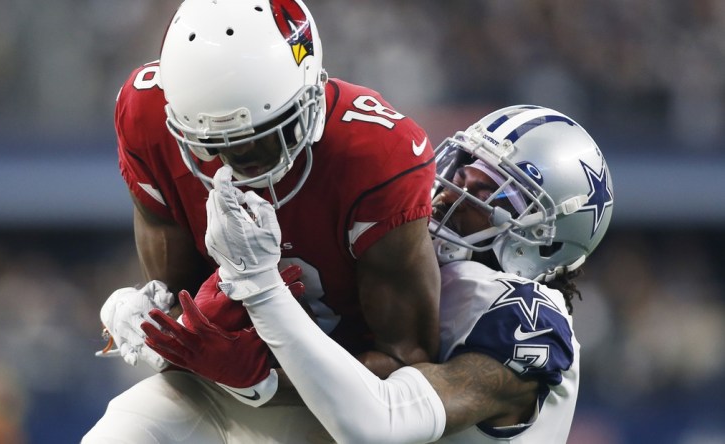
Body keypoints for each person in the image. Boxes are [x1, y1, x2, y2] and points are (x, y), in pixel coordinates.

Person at [145, 105, 614, 442]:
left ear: (546, 239)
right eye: (462, 169)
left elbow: (380, 419)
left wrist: (262, 352)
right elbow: (336, 381)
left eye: (490, 194)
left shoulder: (525, 319)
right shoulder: (404, 271)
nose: (450, 195)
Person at [84, 0, 440, 441]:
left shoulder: (376, 157)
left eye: (261, 138)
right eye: (211, 145)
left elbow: (409, 362)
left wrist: (263, 378)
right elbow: (189, 301)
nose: (236, 163)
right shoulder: (146, 114)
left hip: (350, 397)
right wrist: (161, 330)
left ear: (308, 93)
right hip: (216, 387)